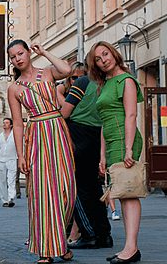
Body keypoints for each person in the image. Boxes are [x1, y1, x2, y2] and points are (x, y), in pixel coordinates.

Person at [7, 40, 76, 263]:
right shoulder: (14, 88)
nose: (18, 58)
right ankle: (46, 250)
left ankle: (60, 241)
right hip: (35, 134)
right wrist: (21, 155)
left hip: (57, 130)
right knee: (41, 193)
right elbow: (18, 123)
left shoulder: (47, 72)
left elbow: (67, 70)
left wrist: (44, 52)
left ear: (28, 52)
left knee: (67, 190)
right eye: (13, 56)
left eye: (21, 53)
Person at [87, 41, 143, 264]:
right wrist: (102, 155)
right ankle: (130, 248)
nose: (103, 60)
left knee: (129, 193)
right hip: (111, 142)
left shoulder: (126, 80)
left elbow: (131, 116)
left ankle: (131, 248)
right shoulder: (105, 84)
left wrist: (129, 148)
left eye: (105, 54)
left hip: (125, 139)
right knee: (122, 193)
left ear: (113, 53)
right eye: (98, 59)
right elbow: (103, 122)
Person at [59, 66, 114, 249]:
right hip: (98, 136)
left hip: (78, 135)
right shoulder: (107, 84)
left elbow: (64, 113)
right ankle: (103, 234)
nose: (74, 79)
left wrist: (56, 94)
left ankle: (89, 233)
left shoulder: (83, 82)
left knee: (75, 188)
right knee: (94, 188)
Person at [0, 117, 18, 207]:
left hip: (12, 159)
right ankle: (4, 200)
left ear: (11, 125)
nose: (4, 124)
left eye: (7, 123)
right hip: (2, 160)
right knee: (3, 181)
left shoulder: (15, 135)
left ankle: (11, 198)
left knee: (11, 179)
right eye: (3, 123)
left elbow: (19, 147)